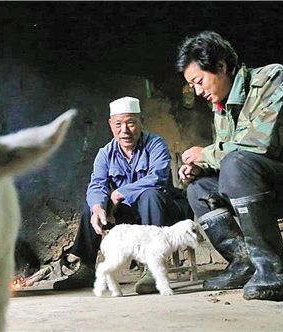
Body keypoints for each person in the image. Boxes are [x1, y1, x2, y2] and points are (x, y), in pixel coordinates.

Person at [175, 31, 283, 301]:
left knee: (238, 163)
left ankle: (272, 272)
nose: (198, 92)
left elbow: (257, 148)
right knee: (198, 188)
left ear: (221, 67)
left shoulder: (273, 79)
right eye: (193, 86)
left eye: (199, 82)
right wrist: (202, 169)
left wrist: (205, 153)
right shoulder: (221, 108)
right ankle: (243, 262)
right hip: (267, 188)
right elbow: (229, 159)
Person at [53, 96, 191, 293]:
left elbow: (158, 178)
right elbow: (97, 184)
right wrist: (98, 207)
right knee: (92, 207)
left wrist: (119, 193)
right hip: (128, 216)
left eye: (131, 123)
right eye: (118, 124)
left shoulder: (156, 144)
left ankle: (152, 270)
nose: (124, 131)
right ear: (111, 125)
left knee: (150, 194)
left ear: (140, 122)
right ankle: (87, 267)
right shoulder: (105, 154)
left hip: (163, 212)